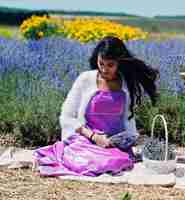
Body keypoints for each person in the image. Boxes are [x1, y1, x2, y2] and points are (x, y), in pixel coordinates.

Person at [33, 36, 159, 177]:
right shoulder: (85, 79)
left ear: (119, 63)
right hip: (86, 139)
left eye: (110, 65)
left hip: (112, 143)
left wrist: (129, 138)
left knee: (117, 161)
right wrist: (94, 137)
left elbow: (127, 119)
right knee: (90, 162)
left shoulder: (125, 83)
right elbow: (66, 116)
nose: (104, 69)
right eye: (101, 63)